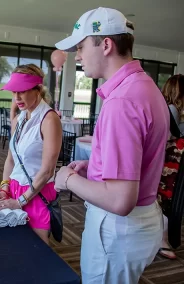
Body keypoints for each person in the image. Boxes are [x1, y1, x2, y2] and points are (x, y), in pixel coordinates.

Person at [54, 7, 169, 283]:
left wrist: (67, 179)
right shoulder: (144, 86)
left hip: (118, 229)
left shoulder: (121, 101)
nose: (78, 56)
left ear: (105, 45)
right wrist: (94, 167)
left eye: (80, 47)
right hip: (141, 221)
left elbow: (120, 200)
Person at [0, 64, 62, 244]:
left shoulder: (49, 120)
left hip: (36, 192)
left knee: (38, 251)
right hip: (14, 189)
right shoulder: (19, 119)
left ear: (38, 89)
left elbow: (47, 171)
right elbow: (11, 159)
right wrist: (4, 188)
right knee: (13, 246)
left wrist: (20, 201)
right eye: (13, 92)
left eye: (22, 91)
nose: (16, 97)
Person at [158, 74, 184, 259]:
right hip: (174, 164)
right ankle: (163, 239)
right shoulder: (173, 111)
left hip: (172, 164)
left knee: (167, 201)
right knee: (170, 202)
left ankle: (164, 239)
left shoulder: (171, 110)